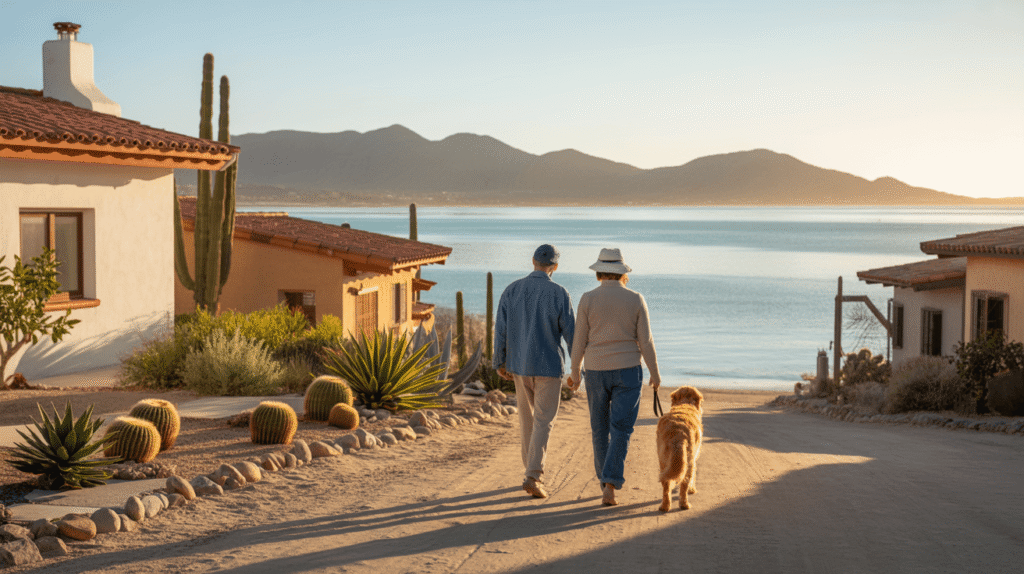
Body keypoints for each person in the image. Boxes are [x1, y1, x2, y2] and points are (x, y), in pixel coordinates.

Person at [567, 247, 661, 506]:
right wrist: (654, 373)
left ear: (599, 273)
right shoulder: (636, 299)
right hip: (628, 369)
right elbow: (646, 341)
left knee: (599, 429)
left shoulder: (587, 299)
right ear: (622, 273)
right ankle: (610, 481)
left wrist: (575, 372)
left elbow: (579, 340)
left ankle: (605, 481)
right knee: (621, 428)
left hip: (595, 370)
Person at [494, 244, 575, 499]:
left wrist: (500, 361)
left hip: (520, 366)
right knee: (543, 421)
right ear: (555, 267)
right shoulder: (559, 293)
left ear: (533, 261)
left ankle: (529, 469)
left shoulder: (512, 290)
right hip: (549, 366)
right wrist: (578, 369)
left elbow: (501, 329)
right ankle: (533, 474)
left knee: (527, 420)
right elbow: (571, 335)